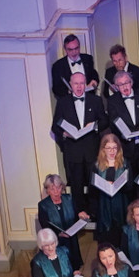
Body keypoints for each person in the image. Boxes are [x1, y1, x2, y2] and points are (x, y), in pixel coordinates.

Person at [51, 72, 107, 213]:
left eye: (82, 83)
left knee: (94, 183)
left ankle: (95, 213)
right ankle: (80, 213)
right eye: (76, 84)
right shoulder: (63, 102)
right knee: (76, 185)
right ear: (71, 84)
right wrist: (65, 133)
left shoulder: (95, 100)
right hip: (73, 150)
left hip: (91, 150)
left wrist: (94, 126)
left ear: (85, 84)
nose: (79, 87)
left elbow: (105, 121)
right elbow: (55, 126)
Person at [106, 70, 139, 175]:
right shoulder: (112, 101)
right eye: (120, 85)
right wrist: (123, 134)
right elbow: (113, 124)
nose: (124, 87)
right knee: (130, 184)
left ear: (131, 82)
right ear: (116, 87)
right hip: (126, 149)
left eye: (126, 83)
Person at [37, 174, 87, 270]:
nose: (56, 192)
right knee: (63, 267)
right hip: (56, 242)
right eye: (52, 189)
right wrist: (59, 234)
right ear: (47, 190)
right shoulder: (43, 205)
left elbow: (76, 215)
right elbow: (45, 227)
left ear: (62, 187)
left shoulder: (69, 198)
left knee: (75, 267)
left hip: (72, 239)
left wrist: (81, 214)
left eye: (58, 188)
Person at [90, 133, 133, 247]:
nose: (112, 151)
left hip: (121, 205)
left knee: (122, 239)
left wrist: (118, 185)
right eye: (108, 148)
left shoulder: (125, 164)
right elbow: (92, 191)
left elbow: (130, 187)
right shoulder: (96, 165)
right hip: (104, 207)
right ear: (103, 149)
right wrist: (103, 185)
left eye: (114, 148)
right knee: (106, 242)